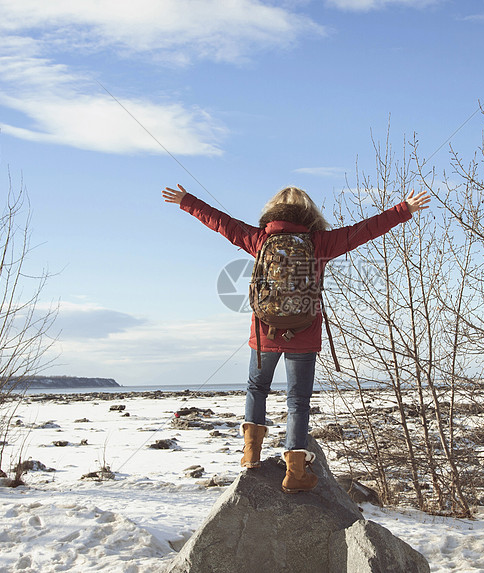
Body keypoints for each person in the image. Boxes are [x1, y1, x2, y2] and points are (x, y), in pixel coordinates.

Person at [162, 183, 431, 493]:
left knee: (257, 387)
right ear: (310, 213)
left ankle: (251, 454)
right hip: (304, 331)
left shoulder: (260, 239)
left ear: (273, 210)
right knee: (298, 401)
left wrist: (188, 201)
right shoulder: (320, 242)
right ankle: (295, 473)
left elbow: (222, 223)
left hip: (265, 332)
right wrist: (403, 209)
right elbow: (365, 230)